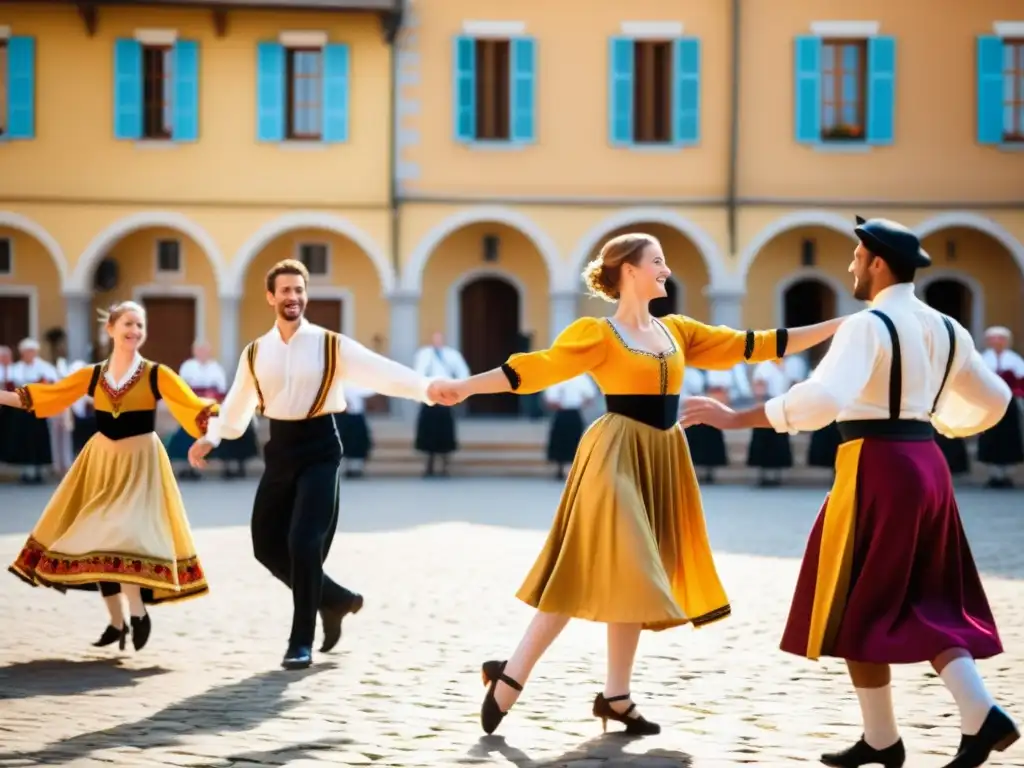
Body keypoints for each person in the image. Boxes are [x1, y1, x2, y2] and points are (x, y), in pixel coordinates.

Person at [429, 232, 844, 737]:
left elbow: (755, 345)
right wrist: (467, 385)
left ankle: (616, 695)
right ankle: (512, 675)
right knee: (601, 565)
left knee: (634, 577)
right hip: (615, 454)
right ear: (628, 270)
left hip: (664, 455)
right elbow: (536, 370)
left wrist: (842, 326)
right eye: (658, 262)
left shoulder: (680, 331)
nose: (666, 270)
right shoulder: (597, 334)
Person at [681, 217, 1019, 768]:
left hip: (876, 465)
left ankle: (961, 718)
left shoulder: (868, 325)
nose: (851, 266)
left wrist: (733, 418)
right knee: (921, 595)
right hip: (926, 464)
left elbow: (820, 400)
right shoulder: (950, 328)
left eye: (856, 257)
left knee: (856, 600)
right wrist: (942, 424)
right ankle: (898, 734)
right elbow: (998, 399)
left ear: (877, 263)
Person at [187, 259, 453, 670]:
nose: (293, 297)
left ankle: (300, 640)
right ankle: (335, 600)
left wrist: (424, 388)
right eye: (286, 291)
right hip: (279, 448)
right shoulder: (255, 351)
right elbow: (238, 403)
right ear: (271, 297)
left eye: (299, 290)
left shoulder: (331, 344)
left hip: (320, 449)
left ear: (305, 295)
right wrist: (212, 437)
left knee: (304, 543)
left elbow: (379, 371)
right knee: (264, 545)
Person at [2, 301, 217, 652]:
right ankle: (118, 623)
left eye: (140, 326)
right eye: (129, 324)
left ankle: (137, 612)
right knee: (97, 539)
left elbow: (192, 406)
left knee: (122, 535)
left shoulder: (155, 374)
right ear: (111, 329)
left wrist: (219, 428)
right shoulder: (93, 375)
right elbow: (50, 397)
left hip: (141, 463)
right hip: (101, 461)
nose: (135, 331)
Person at [413, 333, 469, 477]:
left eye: (439, 339)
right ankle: (429, 465)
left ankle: (444, 466)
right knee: (427, 433)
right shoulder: (424, 354)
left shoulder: (452, 355)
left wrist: (456, 389)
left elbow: (463, 373)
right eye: (435, 339)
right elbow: (418, 373)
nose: (437, 341)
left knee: (445, 433)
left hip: (446, 397)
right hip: (430, 397)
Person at [976, 326, 1024, 489]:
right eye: (993, 339)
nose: (997, 342)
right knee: (990, 436)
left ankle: (1007, 474)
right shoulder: (982, 359)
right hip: (990, 403)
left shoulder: (1015, 359)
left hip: (1009, 403)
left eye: (1001, 339)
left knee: (1008, 437)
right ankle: (994, 474)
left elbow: (1021, 381)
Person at [8, 339, 57, 484]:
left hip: (37, 409)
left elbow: (52, 381)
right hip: (21, 411)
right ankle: (25, 471)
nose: (28, 354)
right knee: (23, 440)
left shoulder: (44, 367)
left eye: (31, 351)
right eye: (26, 352)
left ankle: (38, 471)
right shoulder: (16, 367)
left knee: (38, 439)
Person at [746, 359, 793, 486]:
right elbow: (759, 386)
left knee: (779, 440)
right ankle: (763, 474)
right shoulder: (764, 366)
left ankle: (777, 473)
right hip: (767, 404)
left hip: (782, 404)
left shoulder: (786, 366)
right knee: (763, 440)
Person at [543, 373, 597, 480]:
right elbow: (549, 399)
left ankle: (574, 468)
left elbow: (590, 396)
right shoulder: (556, 377)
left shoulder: (581, 377)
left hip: (574, 412)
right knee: (559, 440)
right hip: (562, 412)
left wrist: (581, 403)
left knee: (575, 440)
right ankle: (559, 468)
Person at [336, 383, 375, 479]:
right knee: (343, 442)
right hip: (343, 414)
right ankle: (345, 468)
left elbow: (367, 390)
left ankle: (356, 468)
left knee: (358, 442)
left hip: (356, 414)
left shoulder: (357, 381)